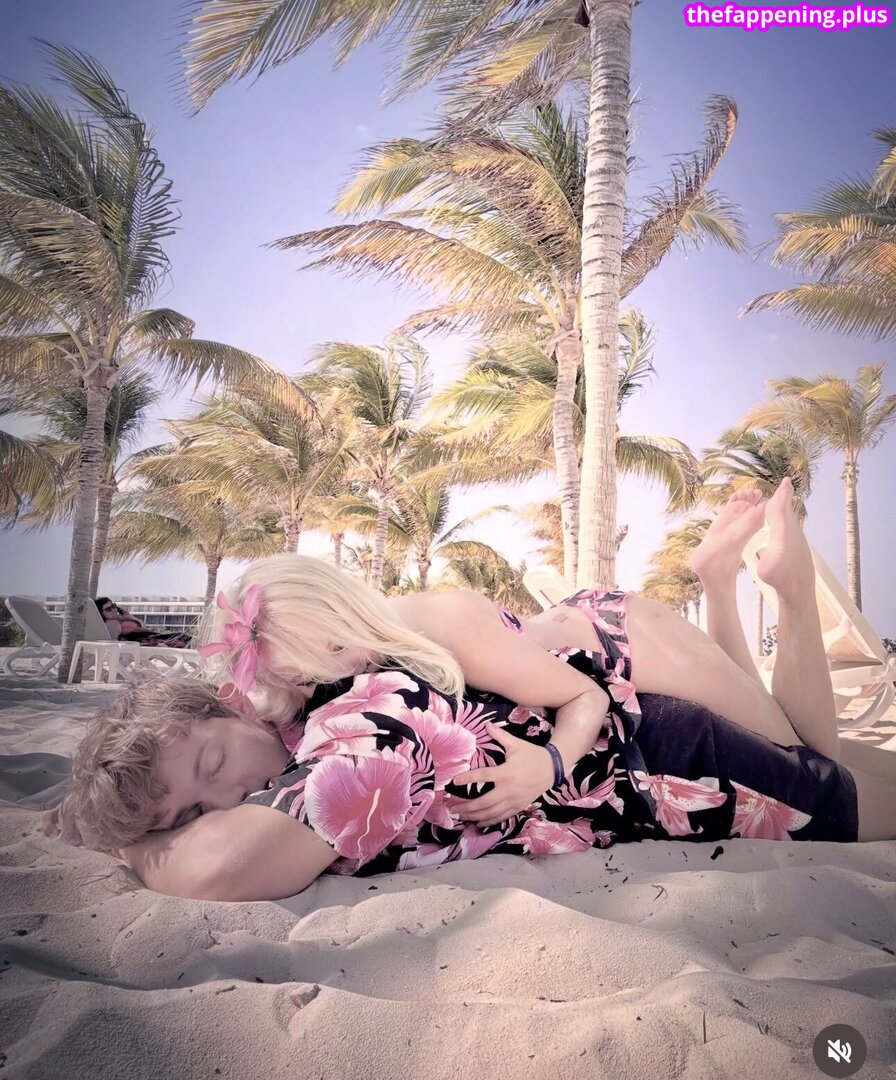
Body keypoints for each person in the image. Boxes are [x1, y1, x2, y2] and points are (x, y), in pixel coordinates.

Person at [46, 481, 896, 902]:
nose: (226, 799)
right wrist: (107, 812)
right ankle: (719, 579)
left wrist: (549, 764)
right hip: (608, 693)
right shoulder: (304, 686)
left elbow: (584, 697)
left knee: (806, 749)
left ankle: (780, 588)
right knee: (809, 749)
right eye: (194, 810)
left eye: (210, 771)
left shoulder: (411, 654)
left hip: (620, 658)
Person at [95, 598, 192, 648]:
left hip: (150, 636)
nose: (113, 609)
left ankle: (200, 655)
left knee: (184, 637)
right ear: (101, 613)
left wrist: (130, 617)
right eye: (108, 609)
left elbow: (143, 626)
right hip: (145, 640)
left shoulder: (121, 617)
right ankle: (200, 655)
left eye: (113, 606)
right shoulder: (111, 623)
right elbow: (115, 641)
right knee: (183, 638)